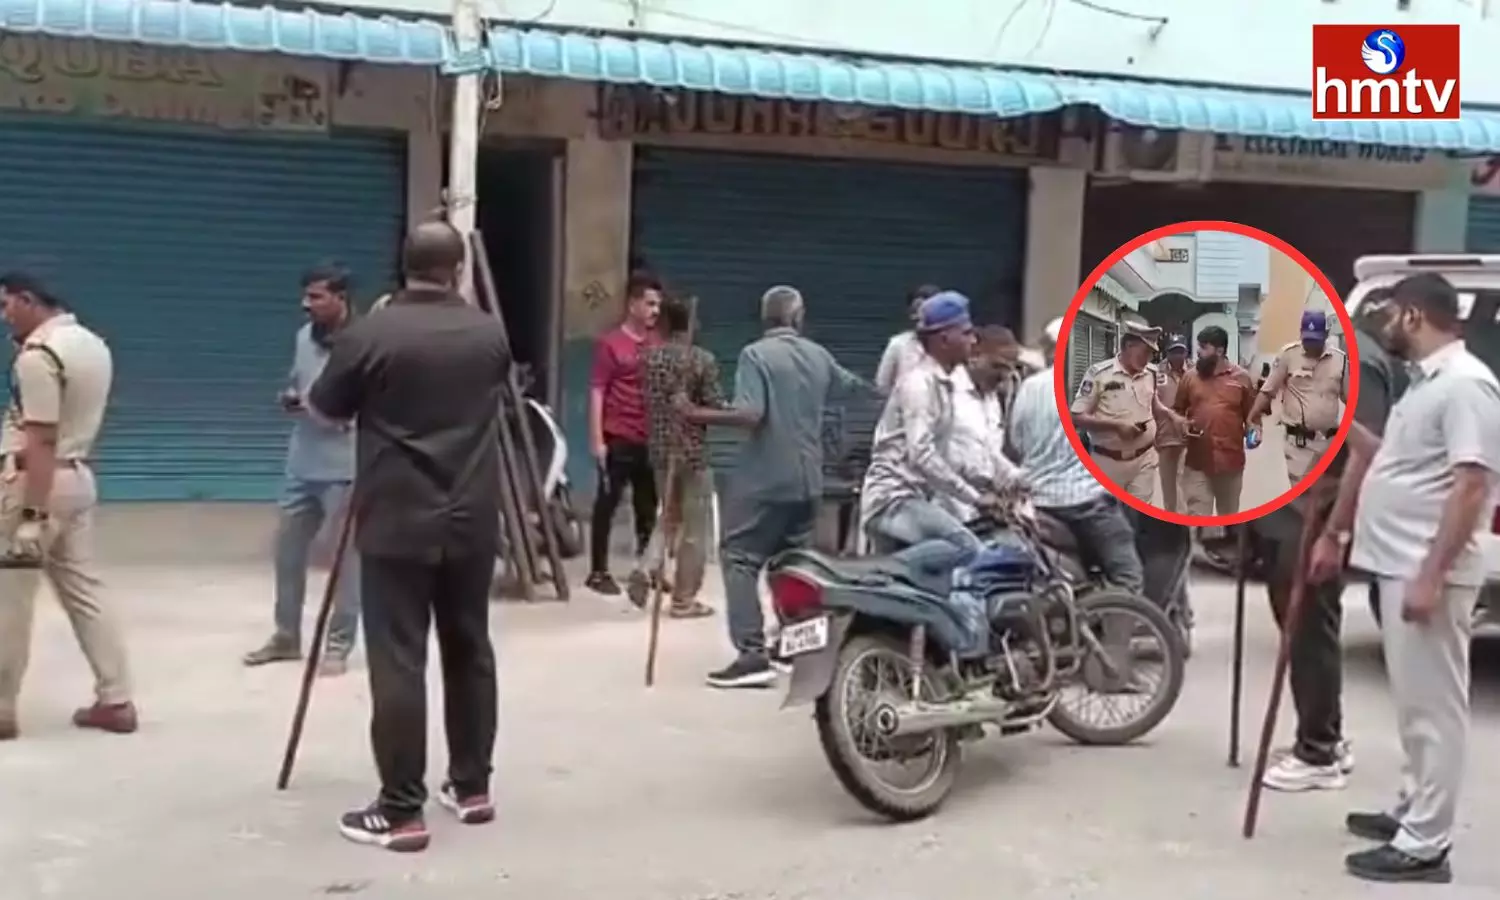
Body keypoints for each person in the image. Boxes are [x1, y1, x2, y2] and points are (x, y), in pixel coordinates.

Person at [308, 221, 508, 853]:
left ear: (404, 265)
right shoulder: (489, 332)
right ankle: (472, 788)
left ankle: (401, 811)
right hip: (473, 516)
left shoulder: (373, 331)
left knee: (399, 658)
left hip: (398, 517)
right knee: (470, 647)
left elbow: (325, 406)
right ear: (457, 270)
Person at [1307, 274, 1500, 883]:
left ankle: (1426, 844)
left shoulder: (1466, 387)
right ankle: (1414, 808)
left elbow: (1471, 485)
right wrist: (1340, 426)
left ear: (1413, 315)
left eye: (1388, 313)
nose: (1382, 325)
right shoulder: (1427, 387)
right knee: (1414, 705)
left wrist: (1431, 575)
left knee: (1434, 710)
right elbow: (1397, 460)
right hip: (1398, 563)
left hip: (1425, 570)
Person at [1257, 289, 1406, 795]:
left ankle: (1319, 747)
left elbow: (1363, 452)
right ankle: (1322, 735)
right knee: (1301, 628)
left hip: (1314, 519)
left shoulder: (1356, 360)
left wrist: (1334, 533)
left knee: (1309, 630)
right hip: (1295, 514)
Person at [680, 285, 866, 689]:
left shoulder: (755, 355)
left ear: (765, 318)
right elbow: (853, 388)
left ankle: (752, 655)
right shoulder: (819, 356)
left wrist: (696, 414)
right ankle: (796, 645)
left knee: (740, 557)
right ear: (798, 318)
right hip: (809, 480)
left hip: (766, 478)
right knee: (792, 561)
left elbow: (750, 413)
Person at [0, 272, 134, 740]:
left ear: (27, 299)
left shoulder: (38, 356)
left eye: (6, 305)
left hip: (35, 484)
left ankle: (2, 709)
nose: (4, 316)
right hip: (77, 477)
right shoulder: (93, 344)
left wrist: (31, 519)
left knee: (10, 599)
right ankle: (116, 699)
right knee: (84, 591)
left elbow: (41, 437)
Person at [1008, 318, 1146, 687]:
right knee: (1128, 577)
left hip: (1039, 502)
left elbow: (1015, 444)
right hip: (1086, 502)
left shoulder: (1028, 388)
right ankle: (1109, 669)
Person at [244, 263, 361, 676]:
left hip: (345, 468)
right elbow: (298, 382)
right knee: (288, 553)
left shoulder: (363, 344)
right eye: (306, 296)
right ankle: (286, 637)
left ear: (341, 298)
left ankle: (338, 644)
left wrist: (328, 411)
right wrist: (291, 397)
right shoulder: (302, 338)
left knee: (345, 561)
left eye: (316, 297)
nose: (305, 304)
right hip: (301, 465)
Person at [861, 292, 1013, 574]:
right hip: (894, 498)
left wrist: (990, 483)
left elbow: (947, 454)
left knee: (919, 598)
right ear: (944, 339)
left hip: (915, 498)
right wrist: (974, 498)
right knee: (965, 547)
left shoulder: (944, 385)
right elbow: (922, 454)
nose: (973, 341)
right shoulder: (919, 384)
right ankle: (878, 574)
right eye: (966, 333)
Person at [631, 292, 719, 619]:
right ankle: (683, 599)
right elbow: (713, 406)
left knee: (669, 517)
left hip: (660, 449)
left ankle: (647, 565)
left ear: (666, 323)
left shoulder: (649, 359)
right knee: (695, 529)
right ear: (693, 323)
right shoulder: (701, 360)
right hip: (693, 453)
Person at [586, 271, 663, 596]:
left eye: (658, 305)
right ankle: (598, 571)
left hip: (649, 438)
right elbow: (597, 391)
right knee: (607, 505)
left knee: (648, 507)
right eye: (649, 303)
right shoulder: (610, 344)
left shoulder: (657, 344)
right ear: (632, 304)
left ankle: (646, 570)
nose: (655, 310)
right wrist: (597, 440)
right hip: (618, 437)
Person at [1071, 323, 1183, 505]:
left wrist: (1172, 416)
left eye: (1151, 354)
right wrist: (1116, 427)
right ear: (1129, 346)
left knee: (1140, 518)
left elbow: (1153, 403)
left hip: (1144, 459)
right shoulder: (1099, 374)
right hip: (1108, 463)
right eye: (1144, 352)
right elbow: (1077, 417)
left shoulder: (1151, 374)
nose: (1147, 359)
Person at [1249, 310, 1348, 485]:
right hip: (1299, 446)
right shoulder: (1288, 355)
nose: (1310, 345)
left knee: (1327, 498)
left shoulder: (1340, 360)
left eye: (1315, 340)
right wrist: (1253, 418)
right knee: (1302, 498)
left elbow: (1350, 399)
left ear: (1326, 335)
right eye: (1306, 339)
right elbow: (1268, 391)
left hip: (1331, 443)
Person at [1173, 325, 1255, 528]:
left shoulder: (1242, 378)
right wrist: (1181, 425)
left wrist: (1255, 431)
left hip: (1230, 463)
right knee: (1197, 521)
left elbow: (1253, 417)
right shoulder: (1189, 378)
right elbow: (1177, 411)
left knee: (1228, 521)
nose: (1198, 352)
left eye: (1203, 347)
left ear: (1219, 351)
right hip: (1197, 462)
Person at [874, 283, 941, 394]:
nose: (920, 316)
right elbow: (882, 385)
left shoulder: (947, 345)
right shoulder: (898, 344)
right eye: (916, 310)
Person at [1154, 334, 1190, 513]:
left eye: (1180, 352)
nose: (1177, 356)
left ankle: (1183, 520)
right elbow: (1149, 401)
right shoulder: (1155, 372)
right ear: (1167, 353)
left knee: (1183, 482)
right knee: (1168, 486)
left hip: (1189, 437)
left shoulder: (1195, 371)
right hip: (1165, 437)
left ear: (1186, 352)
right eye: (1173, 352)